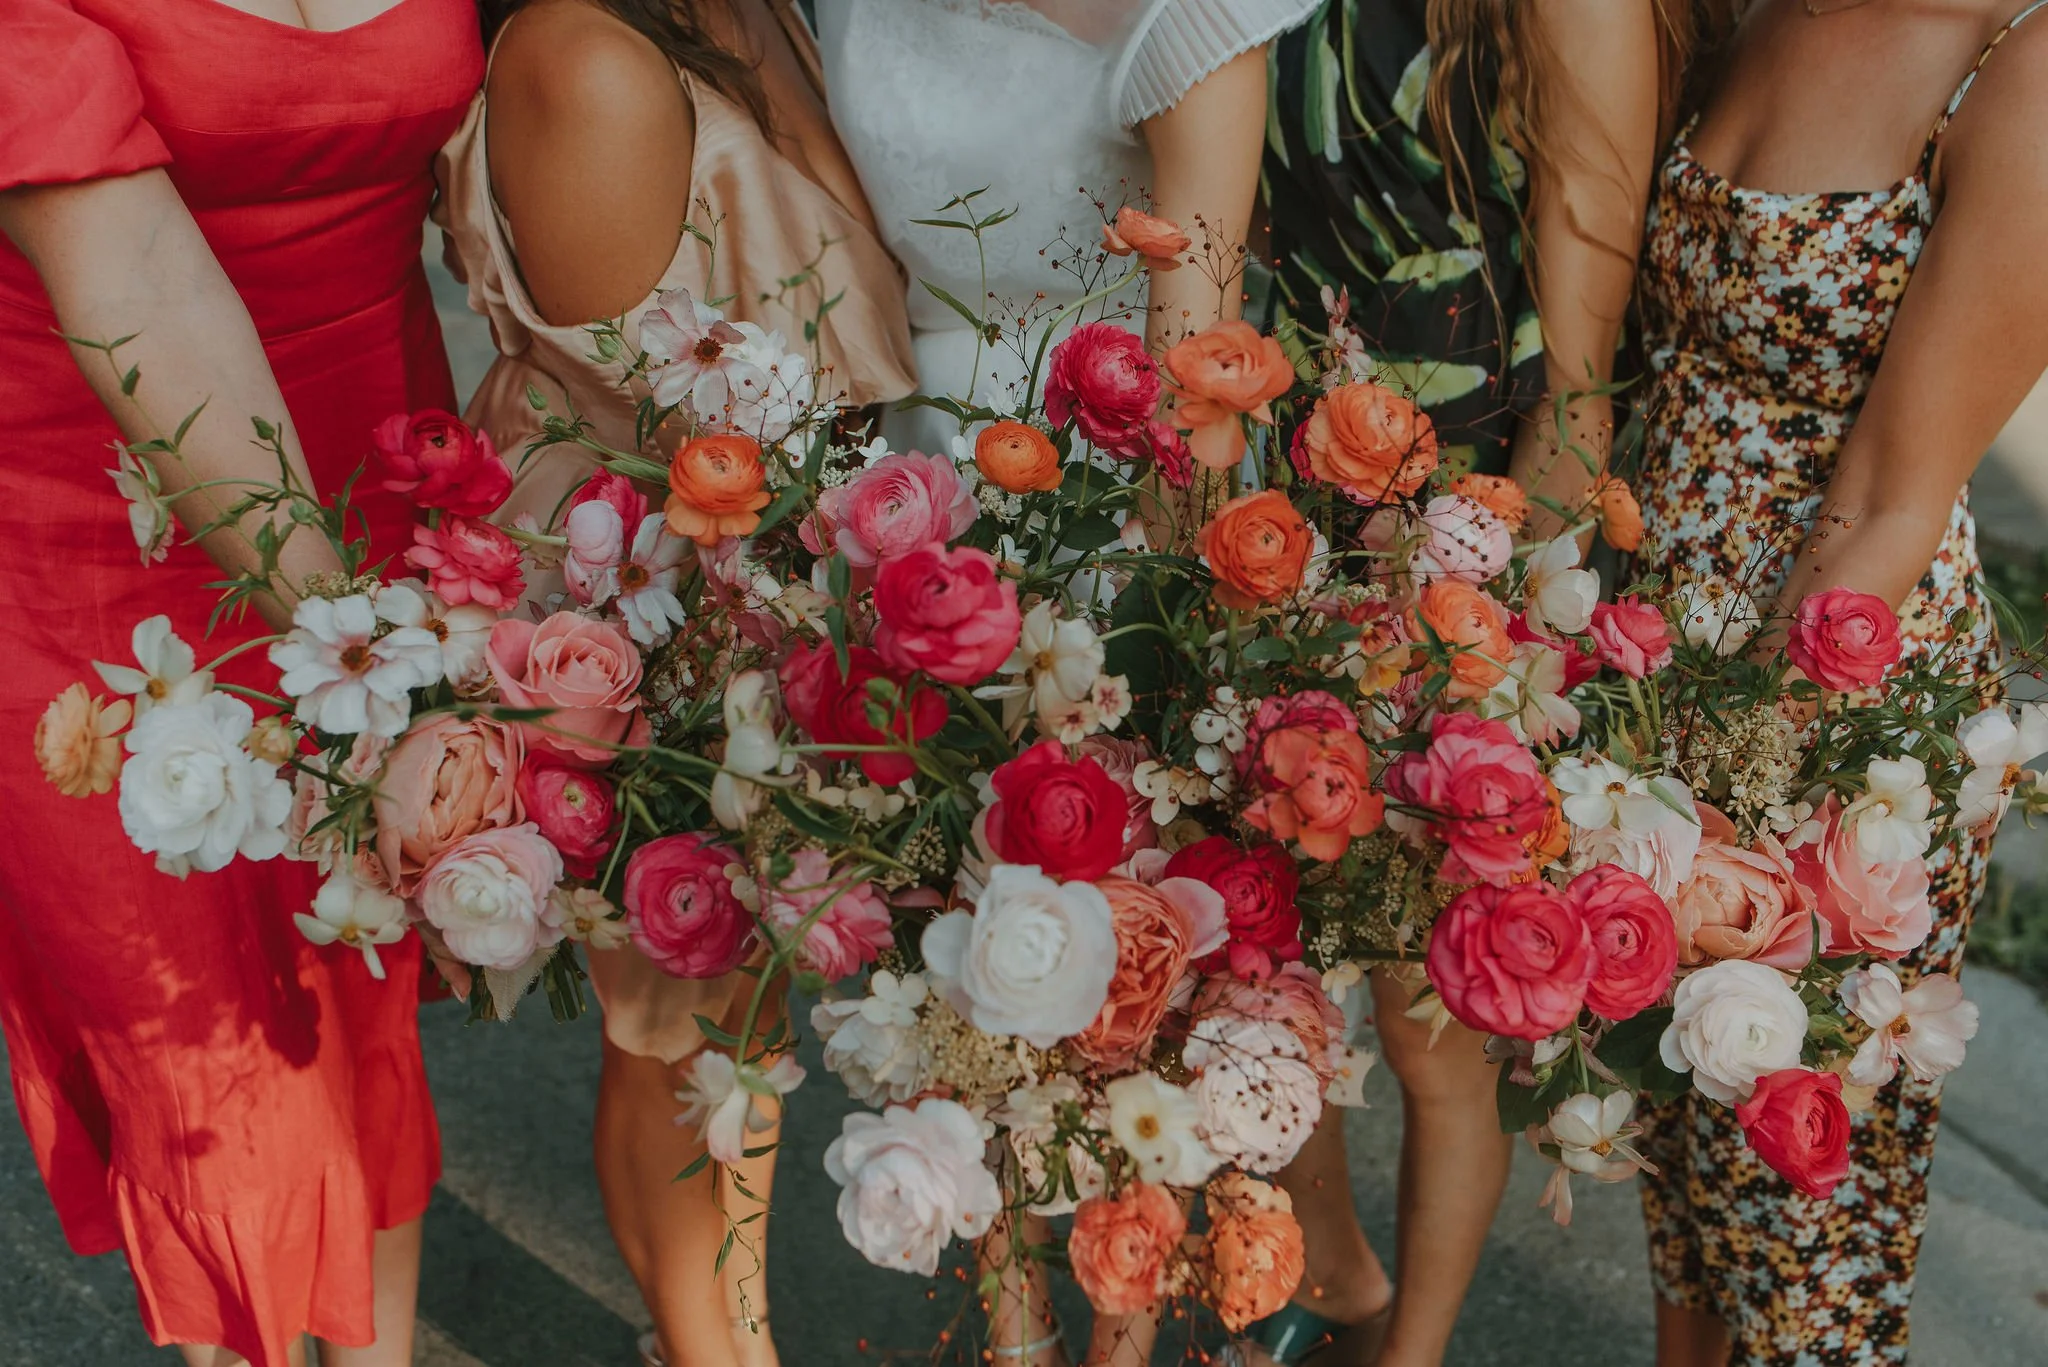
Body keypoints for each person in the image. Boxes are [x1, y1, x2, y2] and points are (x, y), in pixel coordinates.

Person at [0, 2, 480, 1366]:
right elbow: (136, 273)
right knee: (205, 1038)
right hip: (103, 533)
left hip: (377, 472)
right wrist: (359, 661)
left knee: (360, 974)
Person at [438, 4, 916, 1366]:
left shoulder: (745, 12)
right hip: (653, 578)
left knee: (733, 1020)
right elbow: (648, 409)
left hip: (766, 556)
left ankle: (721, 1334)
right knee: (681, 1025)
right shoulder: (584, 56)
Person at [1251, 3, 1718, 1363]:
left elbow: (1579, 390)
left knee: (1430, 1028)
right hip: (1295, 516)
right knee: (1274, 962)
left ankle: (1411, 1352)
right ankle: (1327, 1288)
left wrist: (1486, 653)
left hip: (1463, 561)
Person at [1628, 2, 2048, 1363]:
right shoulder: (1762, 9)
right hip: (1659, 669)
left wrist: (1738, 770)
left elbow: (1888, 495)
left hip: (1832, 706)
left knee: (1801, 1206)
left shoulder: (2023, 61)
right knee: (1677, 1155)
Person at [814, 0, 1319, 458]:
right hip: (908, 431)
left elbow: (1190, 395)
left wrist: (1163, 549)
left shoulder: (1189, 17)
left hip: (1097, 467)